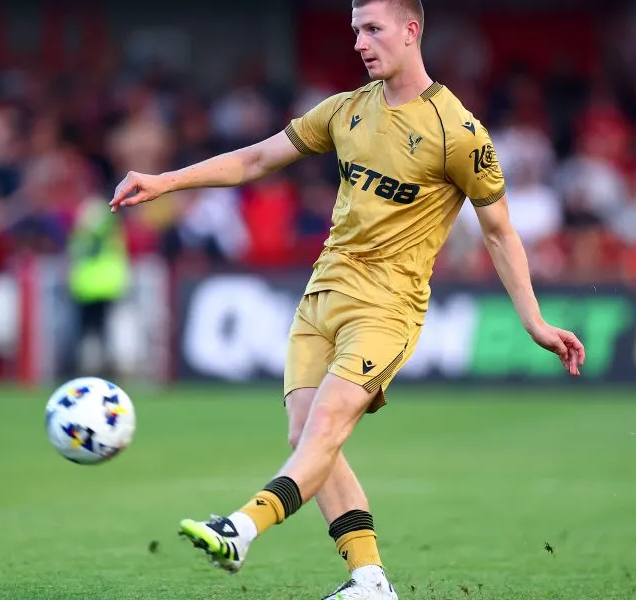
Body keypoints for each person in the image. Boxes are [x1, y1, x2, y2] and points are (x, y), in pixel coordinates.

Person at [110, 1, 586, 597]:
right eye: (356, 30)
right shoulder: (345, 110)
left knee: (328, 425)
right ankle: (370, 582)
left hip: (387, 307)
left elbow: (498, 230)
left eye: (373, 29)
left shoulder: (458, 132)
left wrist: (534, 319)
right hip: (321, 297)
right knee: (305, 437)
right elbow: (257, 159)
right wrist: (166, 181)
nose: (361, 42)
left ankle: (240, 527)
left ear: (412, 31)